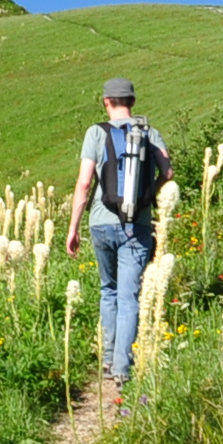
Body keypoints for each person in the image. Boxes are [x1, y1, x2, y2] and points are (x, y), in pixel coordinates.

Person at [63, 76, 169, 388]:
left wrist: (73, 229)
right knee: (129, 295)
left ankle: (108, 359)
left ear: (106, 102)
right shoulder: (149, 133)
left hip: (100, 221)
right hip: (137, 224)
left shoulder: (96, 133)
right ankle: (124, 367)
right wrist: (147, 194)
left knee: (108, 290)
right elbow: (168, 171)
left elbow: (84, 184)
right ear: (133, 102)